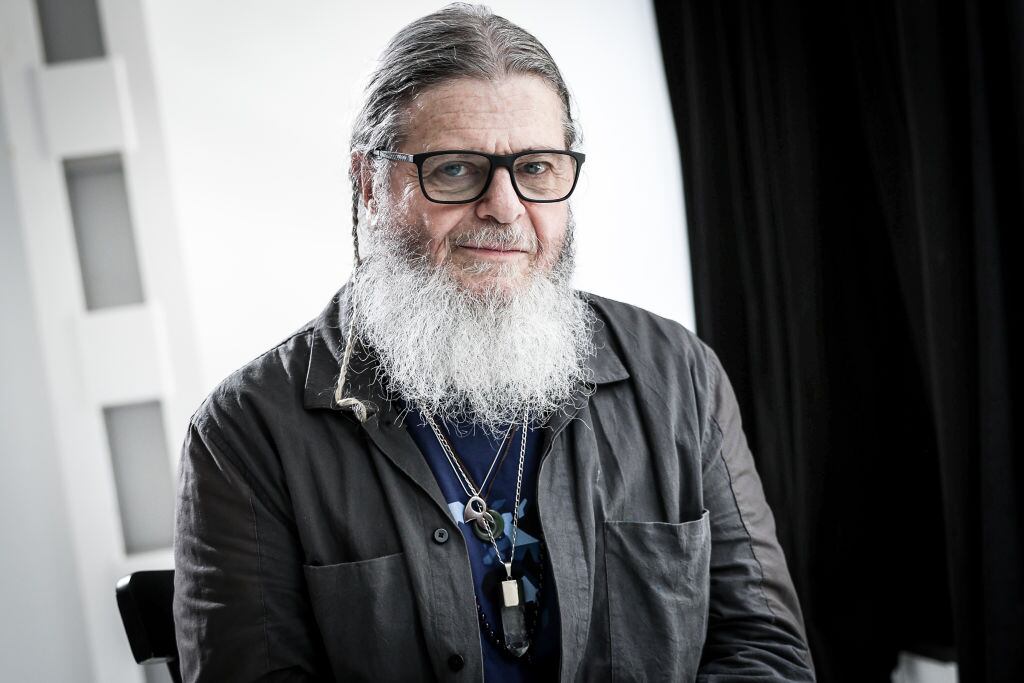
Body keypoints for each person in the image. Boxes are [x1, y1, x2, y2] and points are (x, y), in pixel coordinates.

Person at [172, 4, 815, 681]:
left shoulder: (681, 376)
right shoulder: (246, 434)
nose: (505, 208)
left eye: (535, 168)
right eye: (454, 170)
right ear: (369, 182)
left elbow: (764, 651)